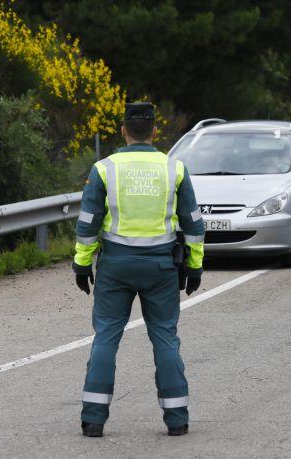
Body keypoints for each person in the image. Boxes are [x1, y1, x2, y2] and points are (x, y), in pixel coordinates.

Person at [72, 102, 206, 437]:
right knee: (164, 339)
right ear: (155, 132)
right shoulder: (174, 168)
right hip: (161, 266)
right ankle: (177, 419)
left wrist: (82, 263)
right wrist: (194, 265)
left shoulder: (105, 168)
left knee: (106, 337)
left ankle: (93, 420)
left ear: (122, 130)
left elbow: (88, 224)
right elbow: (193, 224)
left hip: (116, 266)